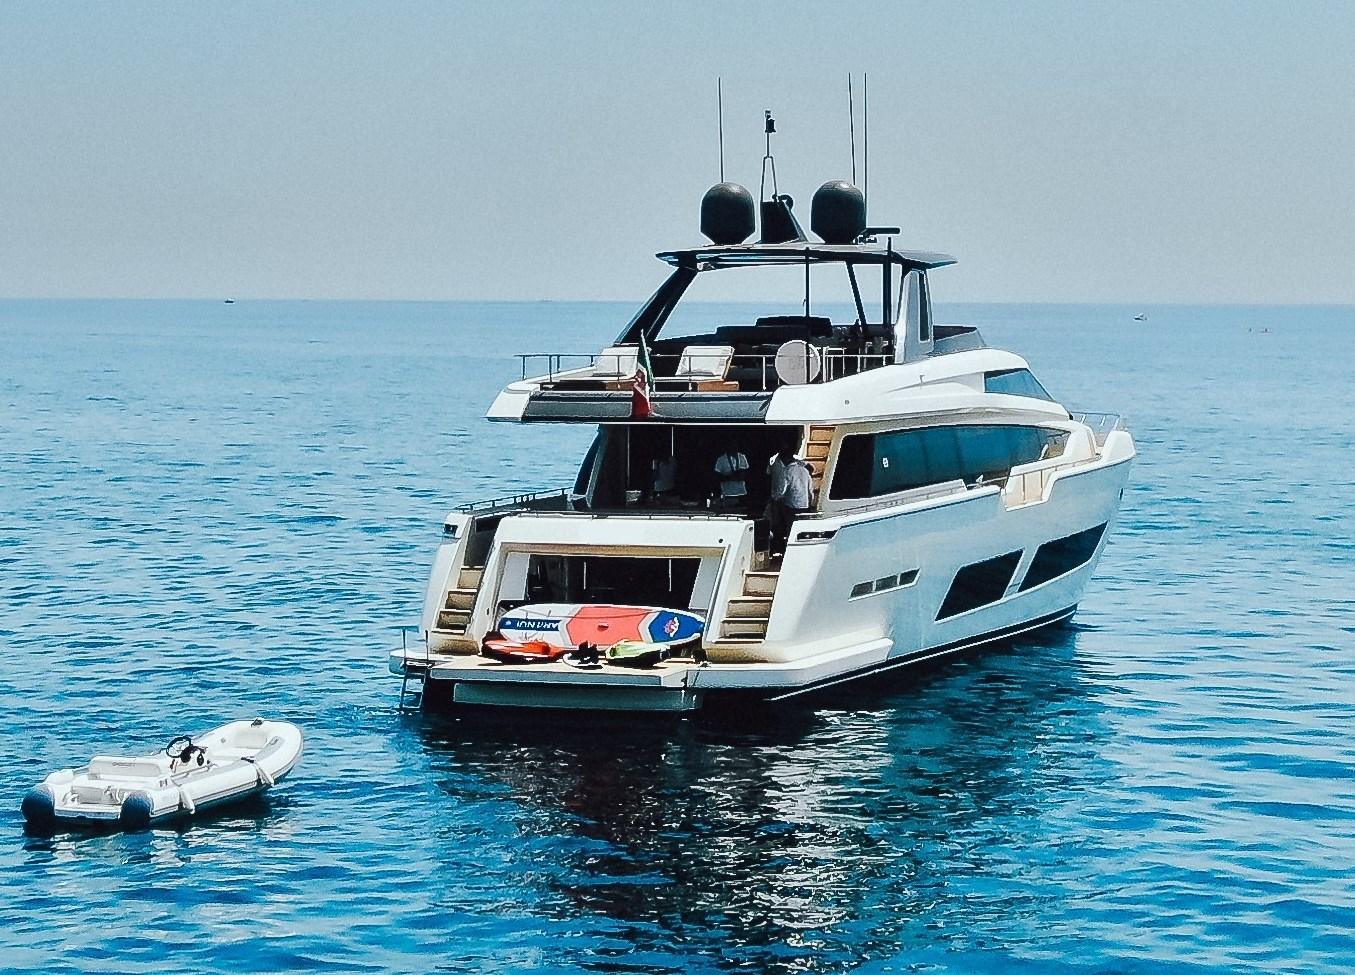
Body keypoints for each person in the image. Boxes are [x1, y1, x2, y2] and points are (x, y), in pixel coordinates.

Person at [713, 445, 749, 509]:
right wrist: (728, 477)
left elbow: (746, 473)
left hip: (741, 493)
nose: (734, 447)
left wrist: (740, 475)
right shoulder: (721, 459)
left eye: (735, 445)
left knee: (740, 512)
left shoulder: (742, 457)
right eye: (731, 445)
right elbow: (716, 476)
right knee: (727, 512)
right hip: (726, 493)